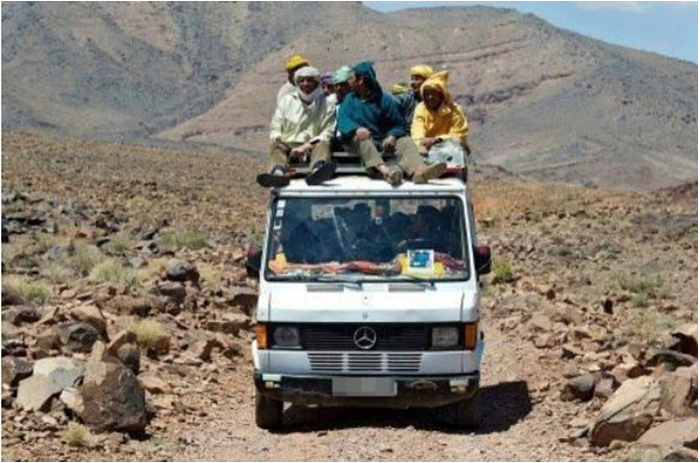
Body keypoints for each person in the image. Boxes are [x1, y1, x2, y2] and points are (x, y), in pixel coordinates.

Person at [337, 61, 446, 185]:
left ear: (360, 80)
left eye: (351, 78)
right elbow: (343, 120)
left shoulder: (384, 99)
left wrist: (392, 136)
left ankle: (419, 172)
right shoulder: (349, 100)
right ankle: (385, 172)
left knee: (406, 141)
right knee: (363, 140)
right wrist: (357, 128)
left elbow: (398, 124)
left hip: (381, 142)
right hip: (359, 142)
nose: (349, 82)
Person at [258, 66, 337, 188]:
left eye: (309, 80)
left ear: (316, 83)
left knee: (323, 143)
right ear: (297, 83)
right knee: (276, 146)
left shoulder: (327, 104)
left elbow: (327, 132)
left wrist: (305, 147)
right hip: (288, 143)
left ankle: (317, 171)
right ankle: (278, 174)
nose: (305, 84)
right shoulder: (287, 101)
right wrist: (276, 137)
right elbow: (276, 124)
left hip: (313, 143)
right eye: (302, 81)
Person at [411, 70, 469, 155]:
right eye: (427, 95)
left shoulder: (455, 110)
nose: (430, 97)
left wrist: (437, 139)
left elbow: (458, 134)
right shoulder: (420, 108)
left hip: (450, 146)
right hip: (427, 146)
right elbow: (417, 128)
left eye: (433, 94)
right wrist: (420, 142)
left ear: (441, 95)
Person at [393, 65, 434, 132]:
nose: (412, 83)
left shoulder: (437, 100)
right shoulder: (406, 99)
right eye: (412, 79)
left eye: (417, 79)